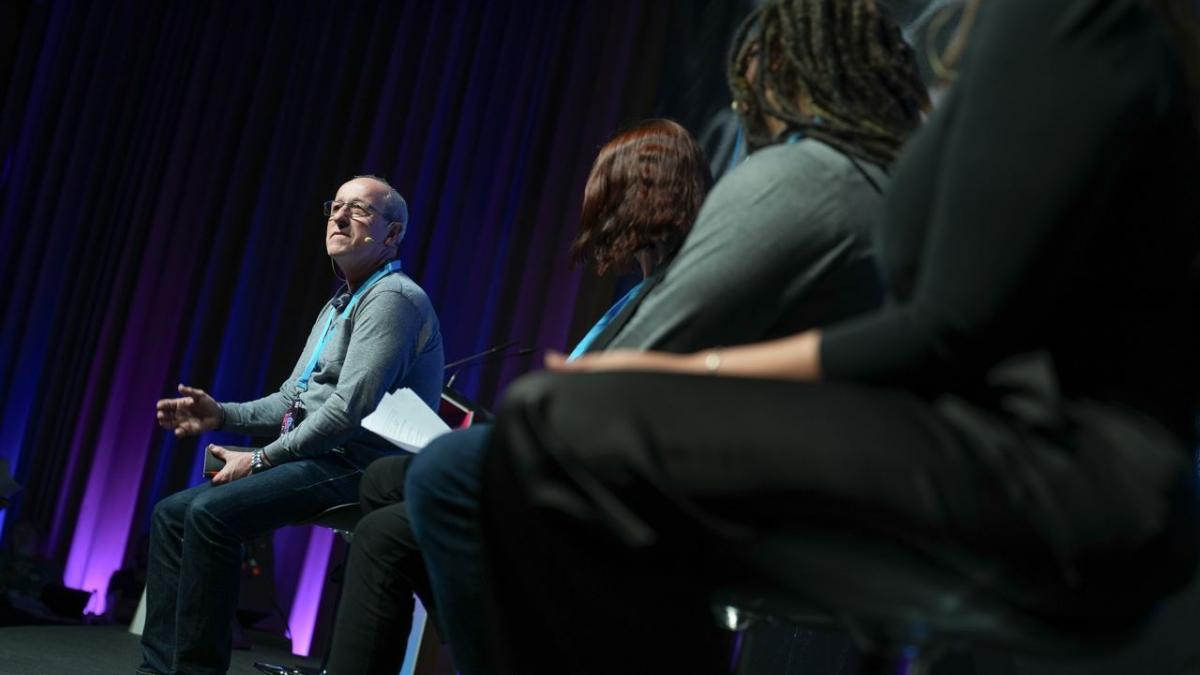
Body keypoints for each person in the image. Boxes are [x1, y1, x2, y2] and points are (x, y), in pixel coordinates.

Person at [471, 0, 1200, 672]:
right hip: (989, 442)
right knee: (548, 434)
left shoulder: (1071, 20)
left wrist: (697, 373)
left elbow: (947, 330)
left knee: (554, 427)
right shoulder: (1027, 32)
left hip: (1070, 475)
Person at [405, 2, 931, 673]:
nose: (746, 118)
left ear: (779, 77)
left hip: (796, 505)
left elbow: (639, 365)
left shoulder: (804, 176)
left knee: (456, 473)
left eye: (748, 96)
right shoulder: (901, 188)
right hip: (882, 500)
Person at [321, 119, 712, 675]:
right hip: (555, 462)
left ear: (641, 196)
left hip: (582, 489)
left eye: (603, 192)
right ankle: (501, 640)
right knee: (382, 480)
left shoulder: (675, 292)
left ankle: (506, 643)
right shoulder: (644, 292)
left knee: (386, 534)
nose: (591, 209)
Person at [138, 175, 444, 675]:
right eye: (336, 206)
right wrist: (223, 415)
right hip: (320, 455)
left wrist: (259, 458)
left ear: (392, 236)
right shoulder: (337, 305)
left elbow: (346, 413)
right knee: (172, 515)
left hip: (359, 463)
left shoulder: (393, 299)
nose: (340, 217)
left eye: (360, 210)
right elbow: (293, 398)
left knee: (211, 515)